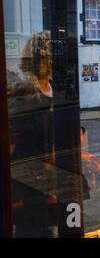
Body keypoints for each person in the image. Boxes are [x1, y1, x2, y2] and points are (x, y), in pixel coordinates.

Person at [8, 31, 58, 237]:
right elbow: (17, 130)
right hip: (30, 175)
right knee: (30, 229)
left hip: (50, 174)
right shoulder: (26, 90)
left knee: (47, 228)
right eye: (52, 54)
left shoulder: (53, 86)